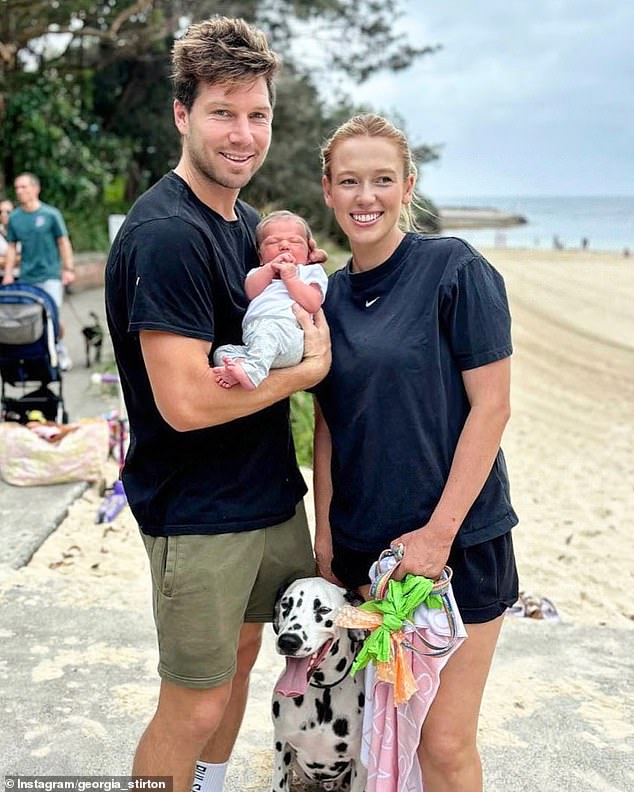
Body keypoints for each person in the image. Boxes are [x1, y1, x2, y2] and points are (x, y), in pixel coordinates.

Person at [104, 17, 330, 792]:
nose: (243, 133)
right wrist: (305, 375)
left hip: (264, 497)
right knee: (191, 706)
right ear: (182, 114)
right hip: (198, 513)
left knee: (239, 664)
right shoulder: (167, 234)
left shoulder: (242, 226)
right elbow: (186, 404)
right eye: (222, 112)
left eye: (257, 114)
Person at [313, 113, 519, 792]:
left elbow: (492, 407)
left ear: (407, 187)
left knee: (445, 744)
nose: (364, 196)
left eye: (381, 180)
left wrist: (436, 538)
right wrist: (325, 540)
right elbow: (328, 427)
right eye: (350, 181)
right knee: (381, 738)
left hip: (455, 553)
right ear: (328, 191)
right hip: (366, 558)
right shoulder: (329, 300)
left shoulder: (453, 268)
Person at [212, 210, 328, 389]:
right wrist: (269, 269)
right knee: (222, 352)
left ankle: (252, 374)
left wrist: (291, 279)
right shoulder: (259, 273)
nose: (284, 246)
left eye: (295, 241)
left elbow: (313, 303)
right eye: (273, 242)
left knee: (268, 333)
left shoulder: (309, 272)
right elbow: (250, 292)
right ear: (260, 255)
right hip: (254, 338)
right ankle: (243, 369)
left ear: (309, 252)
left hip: (286, 334)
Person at [1, 174, 75, 369]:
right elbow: (11, 247)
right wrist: (8, 274)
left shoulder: (51, 215)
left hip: (50, 275)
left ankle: (59, 352)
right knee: (29, 318)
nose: (19, 191)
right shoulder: (15, 218)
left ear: (35, 189)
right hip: (27, 277)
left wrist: (68, 268)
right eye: (17, 188)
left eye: (24, 187)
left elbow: (63, 242)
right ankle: (36, 357)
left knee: (52, 316)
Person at [0, 199, 13, 271]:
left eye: (8, 212)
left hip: (21, 277)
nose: (3, 215)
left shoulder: (23, 231)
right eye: (0, 212)